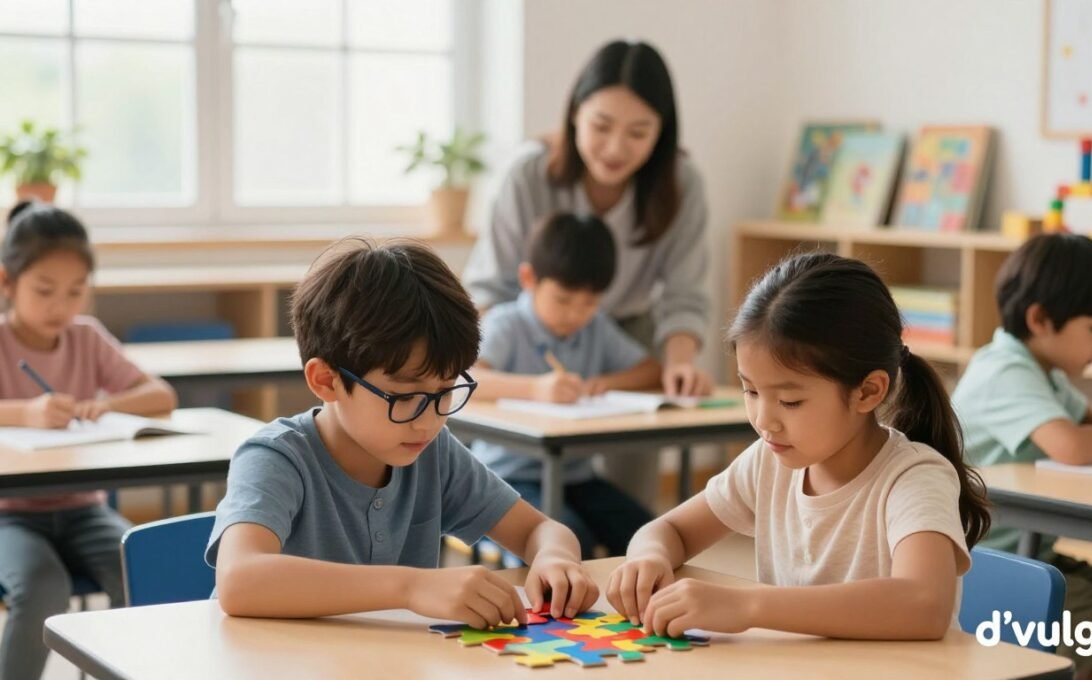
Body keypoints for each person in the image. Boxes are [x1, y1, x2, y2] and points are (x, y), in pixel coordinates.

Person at [206, 238, 598, 626]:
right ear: (326, 380)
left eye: (444, 391)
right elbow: (239, 581)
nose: (427, 421)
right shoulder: (276, 458)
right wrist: (411, 587)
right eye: (404, 397)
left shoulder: (432, 452)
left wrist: (554, 558)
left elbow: (539, 529)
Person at [606, 252, 988, 641]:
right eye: (750, 391)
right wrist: (649, 557)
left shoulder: (914, 478)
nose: (763, 420)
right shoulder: (767, 462)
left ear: (868, 392)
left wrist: (748, 605)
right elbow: (670, 530)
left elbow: (924, 605)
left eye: (790, 401)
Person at [463, 40, 713, 507]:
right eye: (601, 126)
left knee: (633, 486)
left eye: (638, 132)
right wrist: (513, 354)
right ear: (575, 113)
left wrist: (679, 362)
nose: (616, 148)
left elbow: (685, 292)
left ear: (662, 131)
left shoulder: (681, 184)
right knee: (519, 471)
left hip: (628, 332)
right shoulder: (528, 174)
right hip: (530, 331)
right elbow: (492, 285)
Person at [952, 233, 1092, 678]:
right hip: (978, 566)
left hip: (1027, 553)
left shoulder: (1042, 373)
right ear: (1039, 319)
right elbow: (1071, 445)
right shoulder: (1003, 369)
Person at [0, 201, 177, 680]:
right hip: (10, 514)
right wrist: (25, 413)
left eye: (76, 291)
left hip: (83, 509)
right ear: (7, 282)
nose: (61, 306)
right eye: (44, 290)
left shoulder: (86, 337)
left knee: (141, 571)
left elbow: (161, 394)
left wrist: (109, 404)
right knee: (42, 586)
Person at [469, 213, 658, 558]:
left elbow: (649, 370)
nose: (576, 314)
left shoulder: (595, 326)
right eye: (563, 300)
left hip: (575, 476)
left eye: (590, 303)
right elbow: (467, 380)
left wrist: (604, 383)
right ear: (529, 279)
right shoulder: (506, 323)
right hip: (507, 476)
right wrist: (535, 389)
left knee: (646, 535)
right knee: (570, 541)